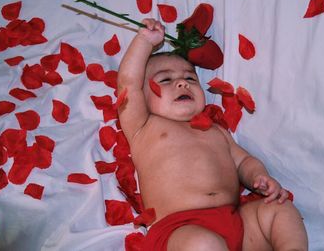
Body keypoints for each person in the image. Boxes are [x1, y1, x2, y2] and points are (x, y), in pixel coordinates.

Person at [117, 18, 308, 251]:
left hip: (236, 221)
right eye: (166, 80)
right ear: (143, 98)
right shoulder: (143, 127)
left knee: (281, 210)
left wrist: (260, 177)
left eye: (190, 79)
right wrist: (145, 41)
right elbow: (128, 84)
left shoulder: (217, 132)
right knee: (203, 244)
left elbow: (243, 161)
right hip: (179, 231)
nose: (181, 84)